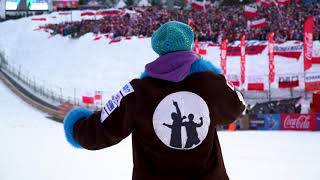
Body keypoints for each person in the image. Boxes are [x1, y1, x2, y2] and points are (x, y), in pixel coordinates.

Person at [62, 21, 246, 180]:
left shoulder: (137, 93)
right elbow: (237, 105)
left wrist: (76, 123)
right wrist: (212, 76)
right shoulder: (210, 84)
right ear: (188, 44)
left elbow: (98, 132)